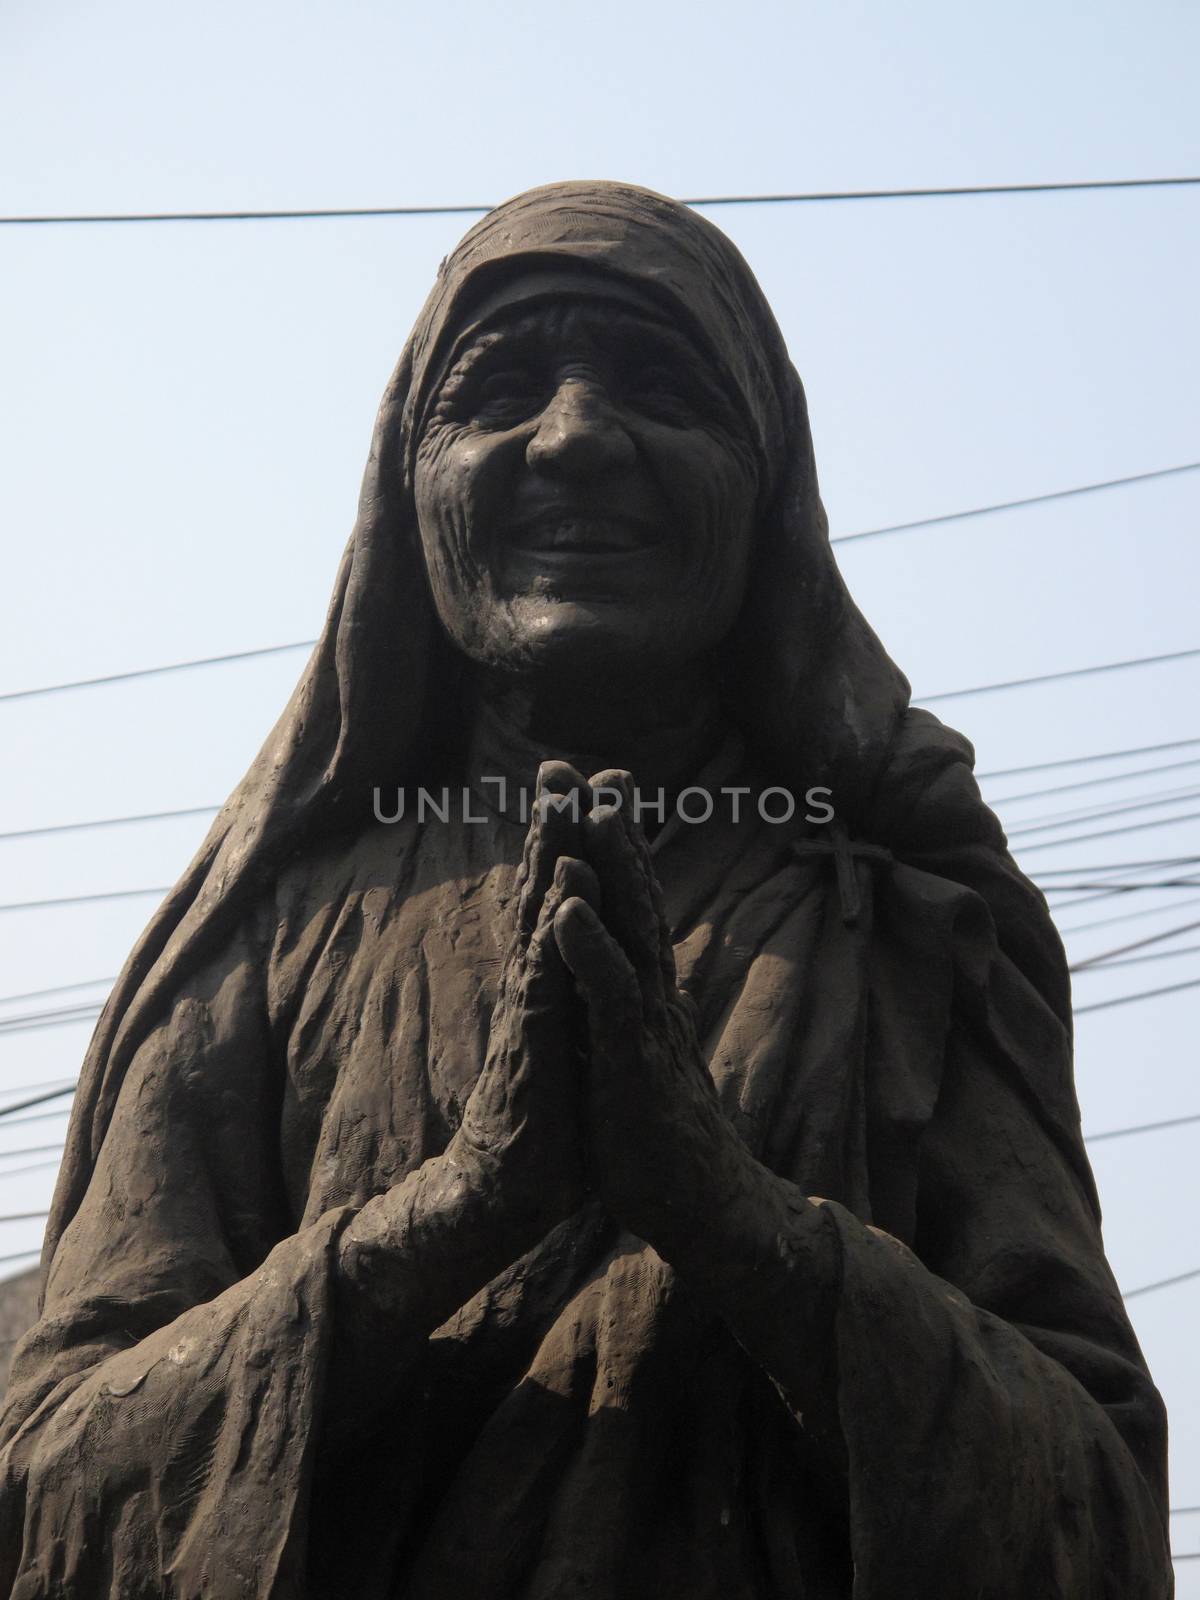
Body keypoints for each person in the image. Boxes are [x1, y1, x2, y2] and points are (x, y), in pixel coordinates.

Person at [0, 182, 1172, 1599]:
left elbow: (1093, 1502)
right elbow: (56, 1486)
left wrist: (733, 1216)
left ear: (769, 490)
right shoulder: (264, 947)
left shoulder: (909, 934)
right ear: (401, 484)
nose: (573, 438)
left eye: (663, 388)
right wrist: (459, 1210)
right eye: (496, 391)